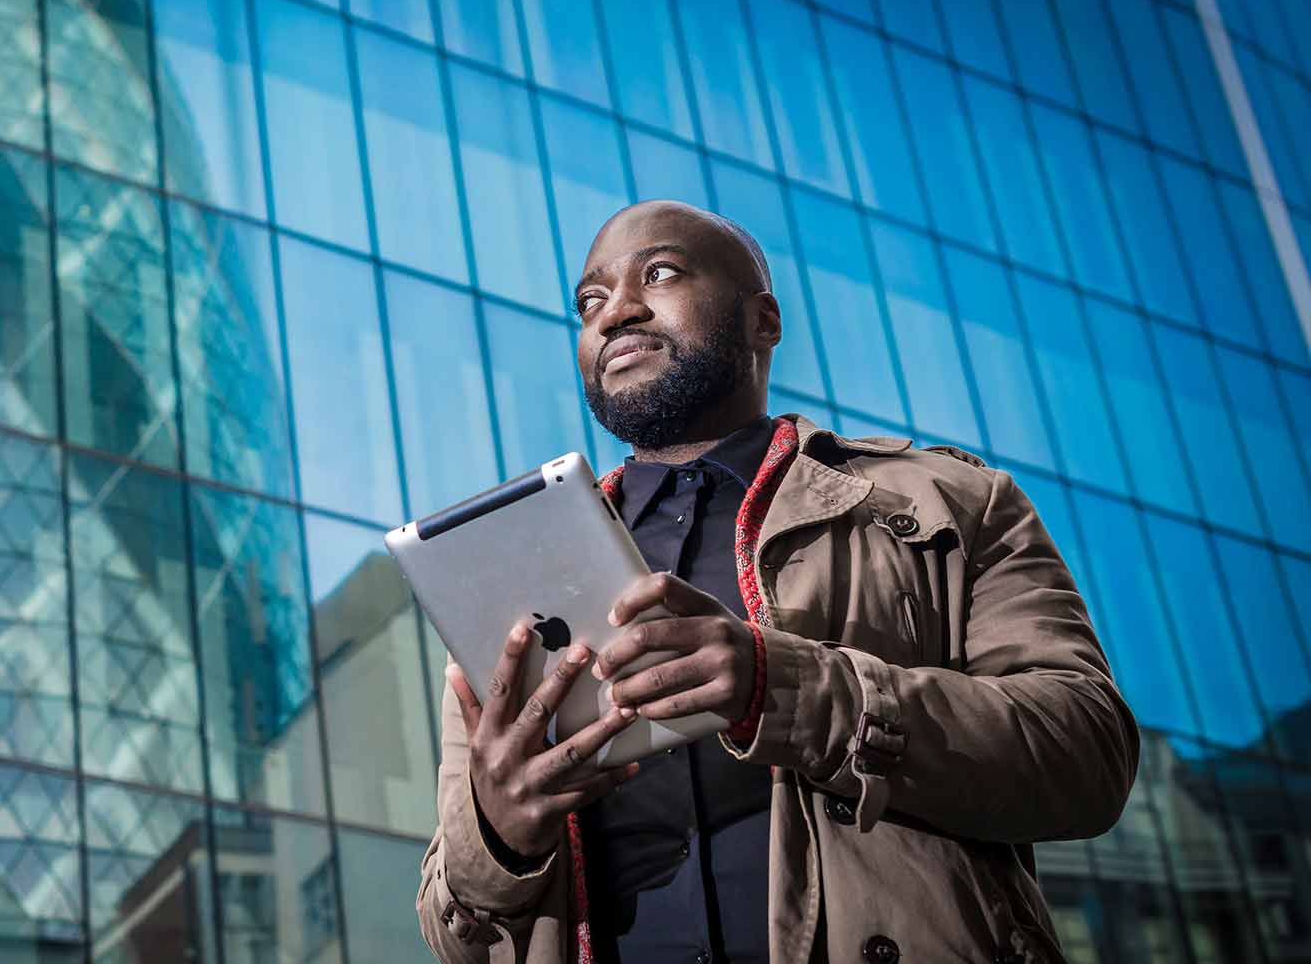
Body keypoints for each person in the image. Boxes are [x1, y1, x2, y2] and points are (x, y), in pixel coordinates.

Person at [415, 201, 1138, 963]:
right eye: (590, 303)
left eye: (658, 274)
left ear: (764, 320)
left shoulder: (950, 503)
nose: (616, 312)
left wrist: (782, 685)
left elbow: (1087, 754)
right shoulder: (511, 585)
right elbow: (452, 933)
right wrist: (496, 835)